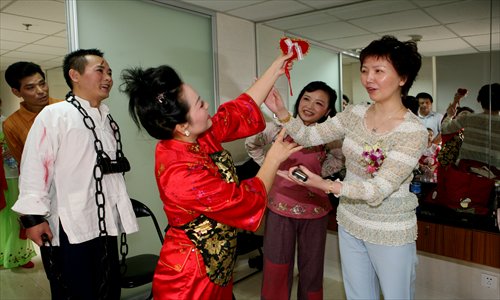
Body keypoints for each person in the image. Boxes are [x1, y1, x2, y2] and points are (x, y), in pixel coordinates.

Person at [120, 52, 301, 300]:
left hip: (217, 264)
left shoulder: (195, 136)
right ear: (181, 125)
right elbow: (244, 202)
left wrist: (275, 69)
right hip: (191, 277)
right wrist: (273, 159)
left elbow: (236, 113)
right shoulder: (179, 172)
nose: (207, 106)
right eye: (200, 104)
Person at [268, 35, 427, 300]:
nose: (369, 79)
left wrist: (322, 184)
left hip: (390, 229)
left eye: (379, 71)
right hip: (350, 221)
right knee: (357, 296)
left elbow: (379, 188)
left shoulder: (413, 131)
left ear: (402, 78)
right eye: (365, 70)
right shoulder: (354, 114)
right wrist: (283, 112)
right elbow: (310, 136)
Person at [12, 49, 139, 300]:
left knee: (108, 288)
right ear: (75, 75)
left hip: (104, 222)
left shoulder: (106, 116)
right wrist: (33, 219)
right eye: (100, 70)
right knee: (76, 292)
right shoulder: (55, 115)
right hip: (70, 224)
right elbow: (35, 167)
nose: (108, 77)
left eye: (110, 72)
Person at [245, 81, 343, 299]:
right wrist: (271, 166)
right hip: (280, 207)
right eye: (306, 99)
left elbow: (339, 158)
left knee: (312, 269)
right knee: (276, 268)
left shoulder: (327, 135)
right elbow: (252, 144)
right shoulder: (279, 126)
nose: (309, 106)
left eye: (319, 103)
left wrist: (317, 176)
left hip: (315, 210)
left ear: (327, 111)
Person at [0, 97, 36, 269]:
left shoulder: (8, 123)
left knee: (14, 216)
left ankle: (15, 255)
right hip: (6, 176)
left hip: (12, 176)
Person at [3, 61, 61, 164]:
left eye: (42, 84)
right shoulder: (11, 125)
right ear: (16, 92)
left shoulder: (67, 108)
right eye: (30, 88)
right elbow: (24, 163)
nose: (40, 91)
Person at [442, 83, 500, 173]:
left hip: (466, 173)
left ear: (479, 100)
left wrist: (449, 116)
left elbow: (444, 129)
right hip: (494, 176)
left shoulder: (468, 118)